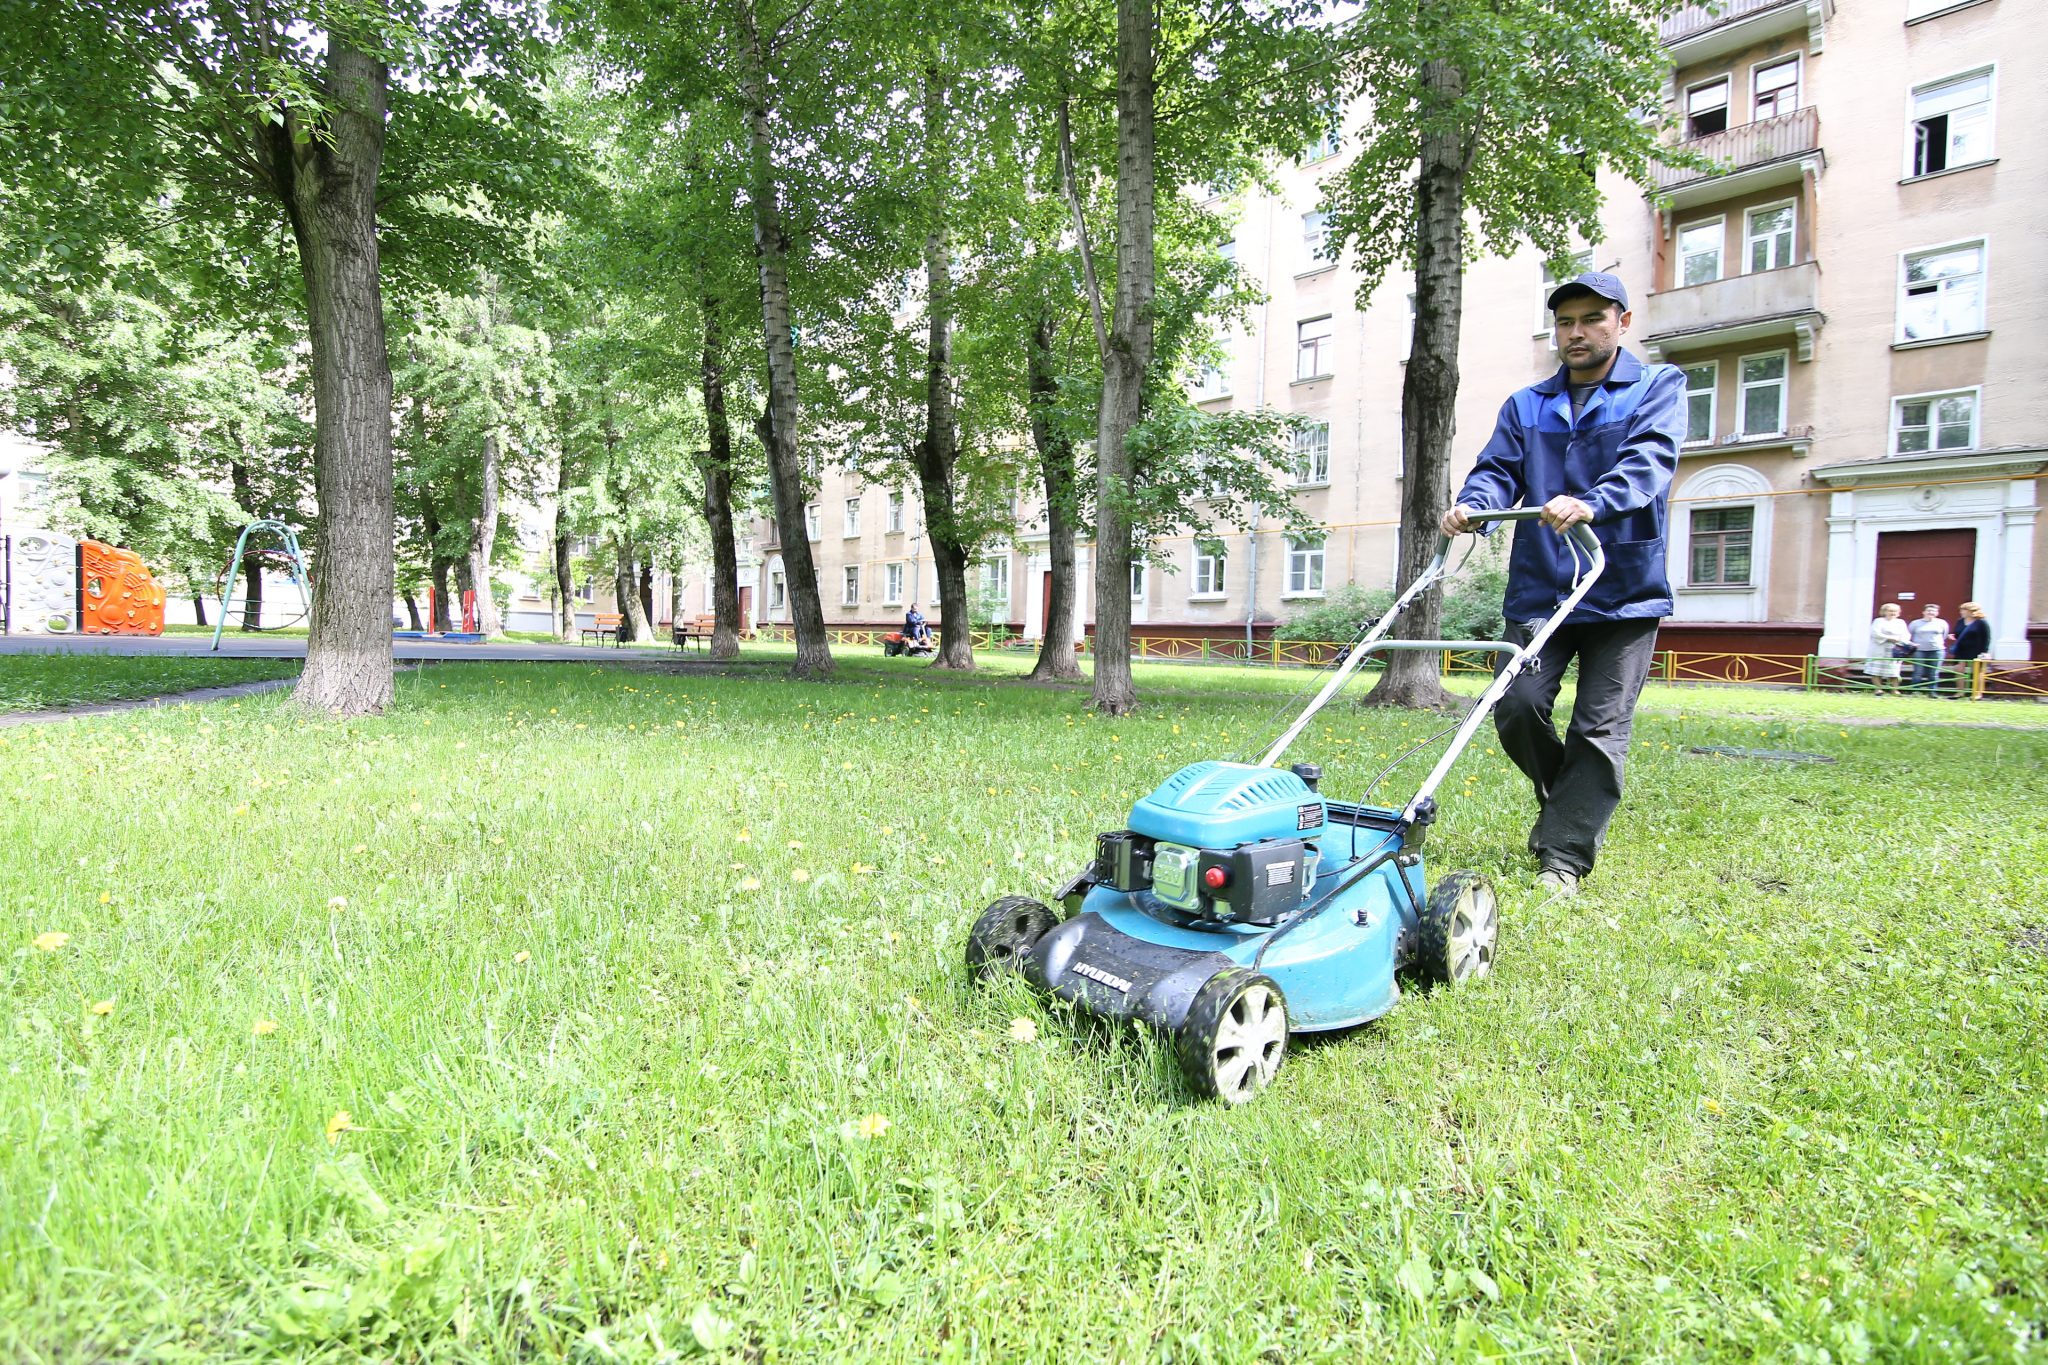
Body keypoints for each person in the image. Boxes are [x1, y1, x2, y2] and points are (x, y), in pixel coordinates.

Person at [1441, 271, 1686, 899]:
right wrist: (1475, 504)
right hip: (1541, 586)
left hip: (1623, 586)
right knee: (1516, 708)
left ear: (1622, 323)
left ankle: (1564, 856)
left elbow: (1649, 460)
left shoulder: (1657, 387)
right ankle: (1568, 802)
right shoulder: (1526, 405)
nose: (1576, 333)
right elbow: (1497, 469)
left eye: (1591, 320)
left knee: (1599, 727)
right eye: (1566, 322)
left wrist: (1593, 502)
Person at [1862, 602, 1911, 695]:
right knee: (1877, 670)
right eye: (1890, 611)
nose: (1893, 613)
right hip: (1879, 648)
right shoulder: (1878, 621)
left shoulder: (1900, 622)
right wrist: (1889, 637)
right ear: (1884, 612)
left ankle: (1894, 690)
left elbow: (1906, 634)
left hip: (1895, 649)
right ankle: (1878, 689)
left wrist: (1901, 640)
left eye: (1895, 611)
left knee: (1894, 671)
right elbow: (1875, 633)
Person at [1906, 603, 1950, 696]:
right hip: (1919, 650)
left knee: (1934, 672)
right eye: (1929, 610)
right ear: (1923, 612)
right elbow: (1909, 635)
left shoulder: (1942, 623)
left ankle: (1932, 691)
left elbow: (1944, 635)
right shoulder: (1915, 623)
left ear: (1937, 613)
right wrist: (1913, 644)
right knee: (1918, 671)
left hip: (1937, 650)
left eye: (1933, 611)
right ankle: (1915, 690)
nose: (1931, 612)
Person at [1952, 601, 1991, 700]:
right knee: (1958, 669)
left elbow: (1987, 637)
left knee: (1977, 671)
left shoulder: (1981, 622)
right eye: (1961, 610)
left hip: (1976, 649)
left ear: (1971, 611)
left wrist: (1985, 651)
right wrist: (1952, 636)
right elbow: (1957, 633)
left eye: (1964, 610)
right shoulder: (1960, 621)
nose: (1961, 612)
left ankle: (1977, 693)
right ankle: (1960, 692)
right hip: (1961, 649)